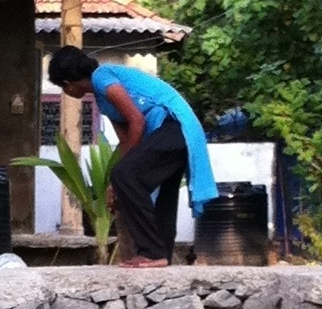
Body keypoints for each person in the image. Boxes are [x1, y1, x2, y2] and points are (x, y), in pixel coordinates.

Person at [46, 47, 217, 265]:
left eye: (63, 87)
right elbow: (126, 141)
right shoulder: (102, 101)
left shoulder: (102, 76)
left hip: (175, 125)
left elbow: (137, 121)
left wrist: (119, 178)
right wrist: (112, 185)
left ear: (68, 83)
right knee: (160, 191)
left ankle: (152, 252)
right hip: (174, 132)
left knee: (126, 175)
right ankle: (161, 255)